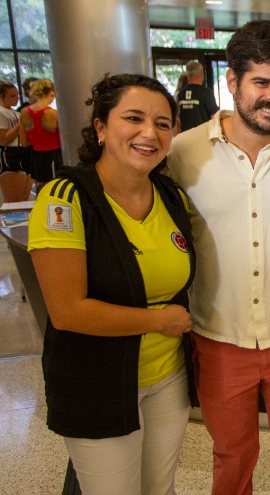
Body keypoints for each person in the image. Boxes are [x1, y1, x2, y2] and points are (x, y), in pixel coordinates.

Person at [165, 20, 270, 495]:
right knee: (232, 455)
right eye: (262, 82)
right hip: (219, 336)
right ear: (232, 81)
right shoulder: (182, 154)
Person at [27, 73, 196, 494]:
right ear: (101, 127)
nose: (149, 133)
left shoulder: (171, 196)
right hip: (97, 385)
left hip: (168, 378)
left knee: (160, 488)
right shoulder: (64, 199)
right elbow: (67, 311)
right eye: (133, 118)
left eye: (162, 123)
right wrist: (160, 321)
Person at [18, 78, 63, 185]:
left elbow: (24, 143)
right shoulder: (54, 114)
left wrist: (38, 141)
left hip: (37, 158)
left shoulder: (24, 112)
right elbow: (65, 140)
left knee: (41, 190)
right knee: (58, 189)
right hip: (55, 157)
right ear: (51, 94)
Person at [177, 60, 219, 132]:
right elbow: (214, 116)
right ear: (201, 73)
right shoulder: (206, 93)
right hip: (203, 135)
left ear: (188, 75)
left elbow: (176, 119)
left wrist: (178, 135)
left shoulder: (181, 93)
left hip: (185, 135)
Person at [0, 80, 24, 173]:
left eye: (17, 95)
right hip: (9, 153)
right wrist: (21, 123)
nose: (17, 99)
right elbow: (4, 140)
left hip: (22, 152)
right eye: (12, 96)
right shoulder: (1, 113)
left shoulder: (17, 113)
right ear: (1, 96)